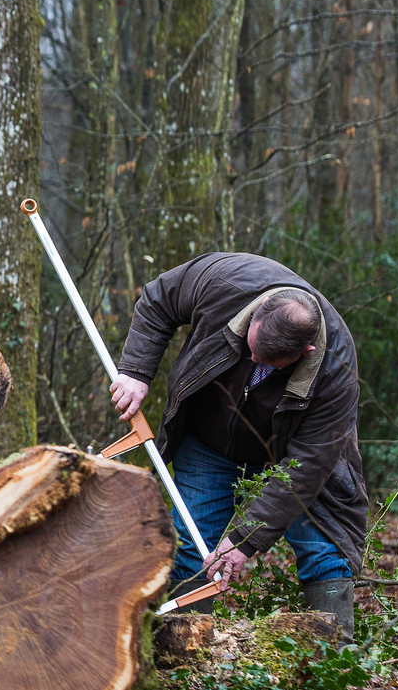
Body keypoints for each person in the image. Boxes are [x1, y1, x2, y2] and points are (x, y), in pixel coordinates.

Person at [108, 252, 367, 639]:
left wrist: (244, 541)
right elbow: (158, 298)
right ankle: (185, 654)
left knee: (325, 548)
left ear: (305, 353)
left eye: (267, 363)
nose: (251, 362)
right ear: (259, 310)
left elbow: (307, 468)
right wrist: (135, 371)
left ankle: (337, 660)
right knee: (194, 546)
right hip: (208, 433)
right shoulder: (227, 280)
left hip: (293, 452)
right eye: (249, 348)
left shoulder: (337, 372)